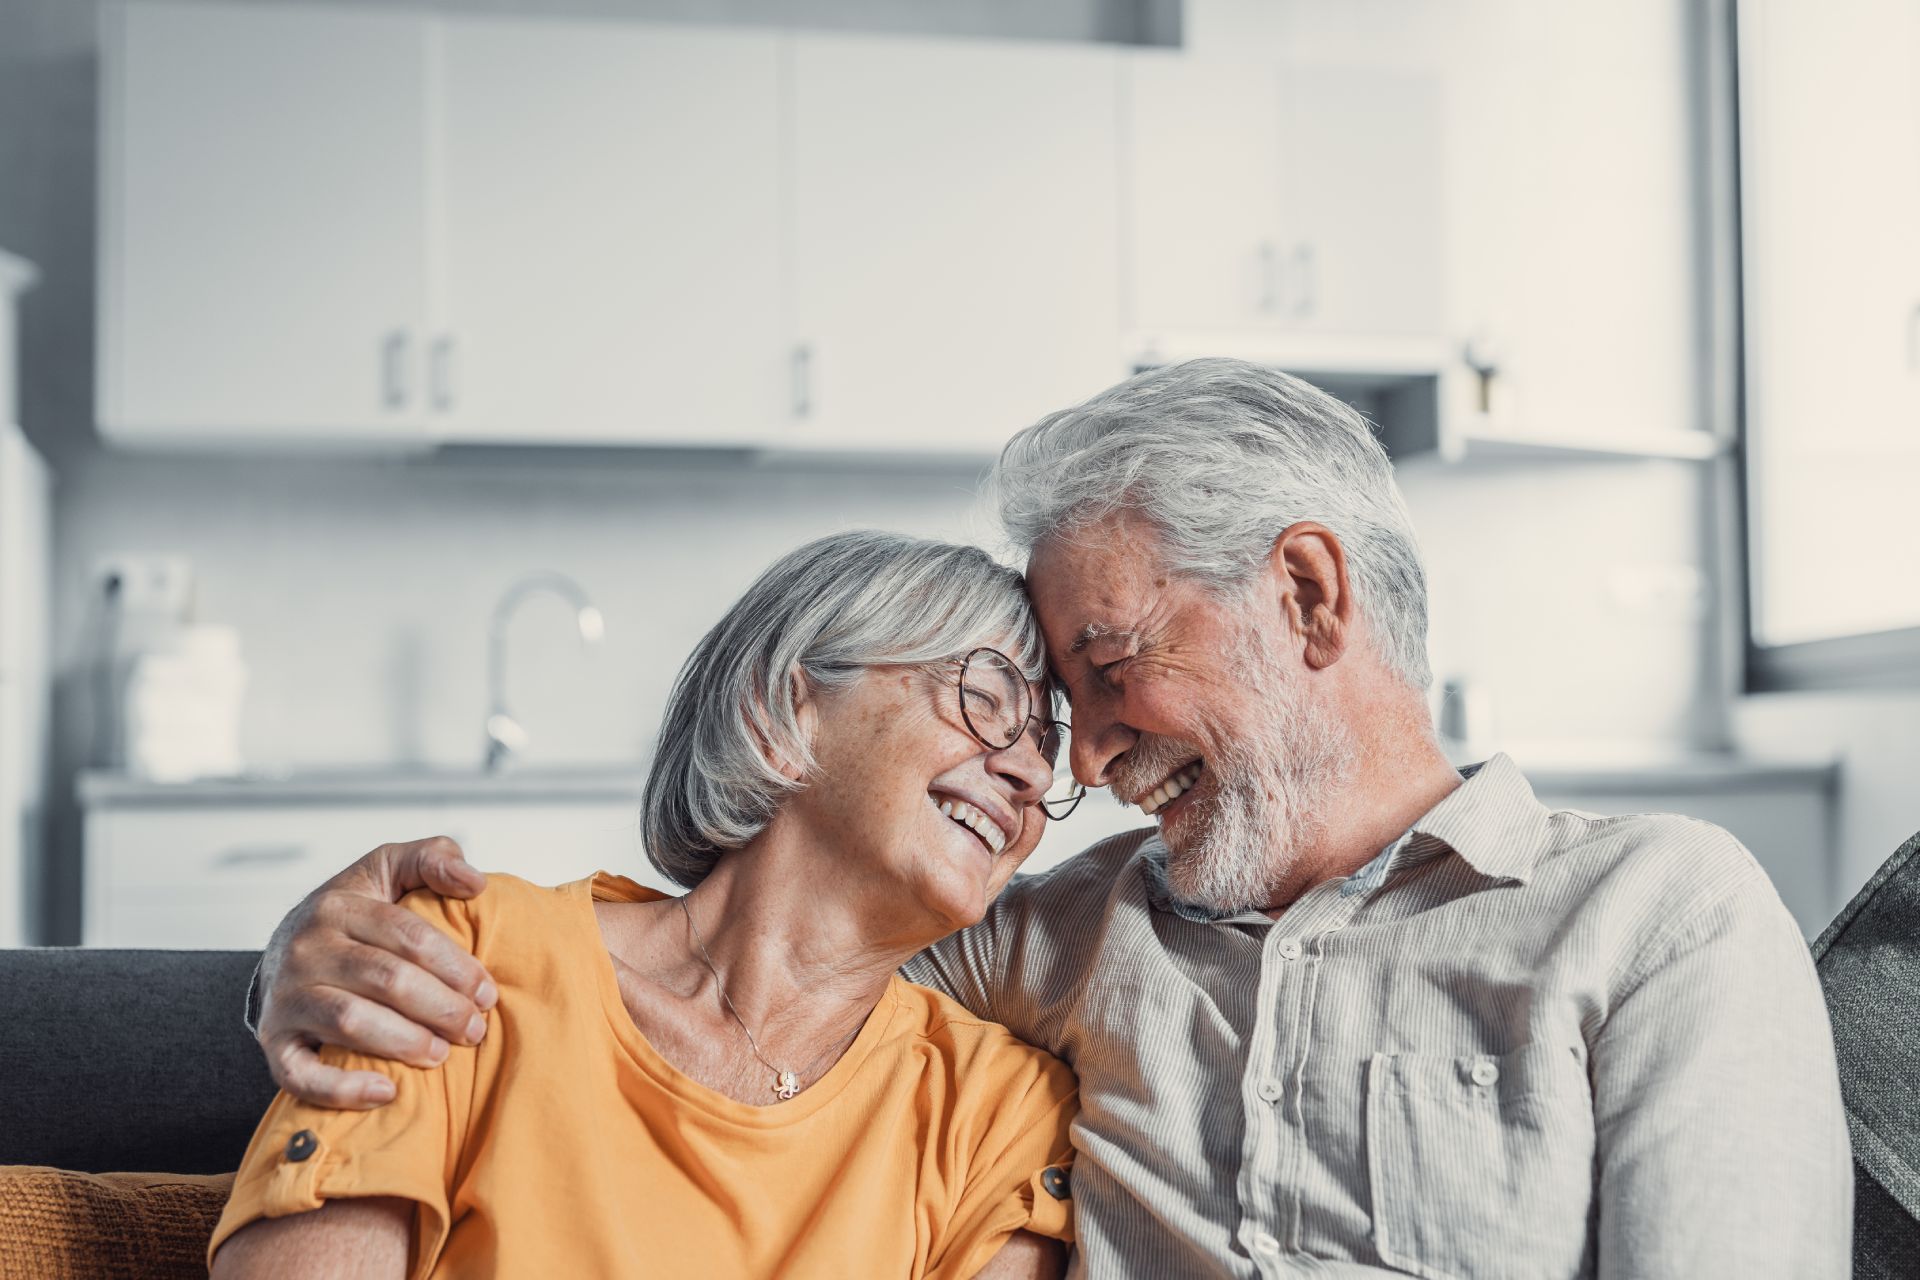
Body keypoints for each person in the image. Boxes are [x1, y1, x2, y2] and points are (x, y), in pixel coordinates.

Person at [254, 359, 1852, 1277]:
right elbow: (752, 954)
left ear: (1304, 593)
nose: (1070, 764)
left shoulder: (1657, 911)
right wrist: (301, 954)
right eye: (1018, 707)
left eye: (1099, 669)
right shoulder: (1046, 941)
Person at [210, 532, 1083, 1279]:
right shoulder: (464, 962)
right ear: (783, 711)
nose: (1032, 774)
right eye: (985, 700)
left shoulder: (999, 1112)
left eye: (1046, 746)